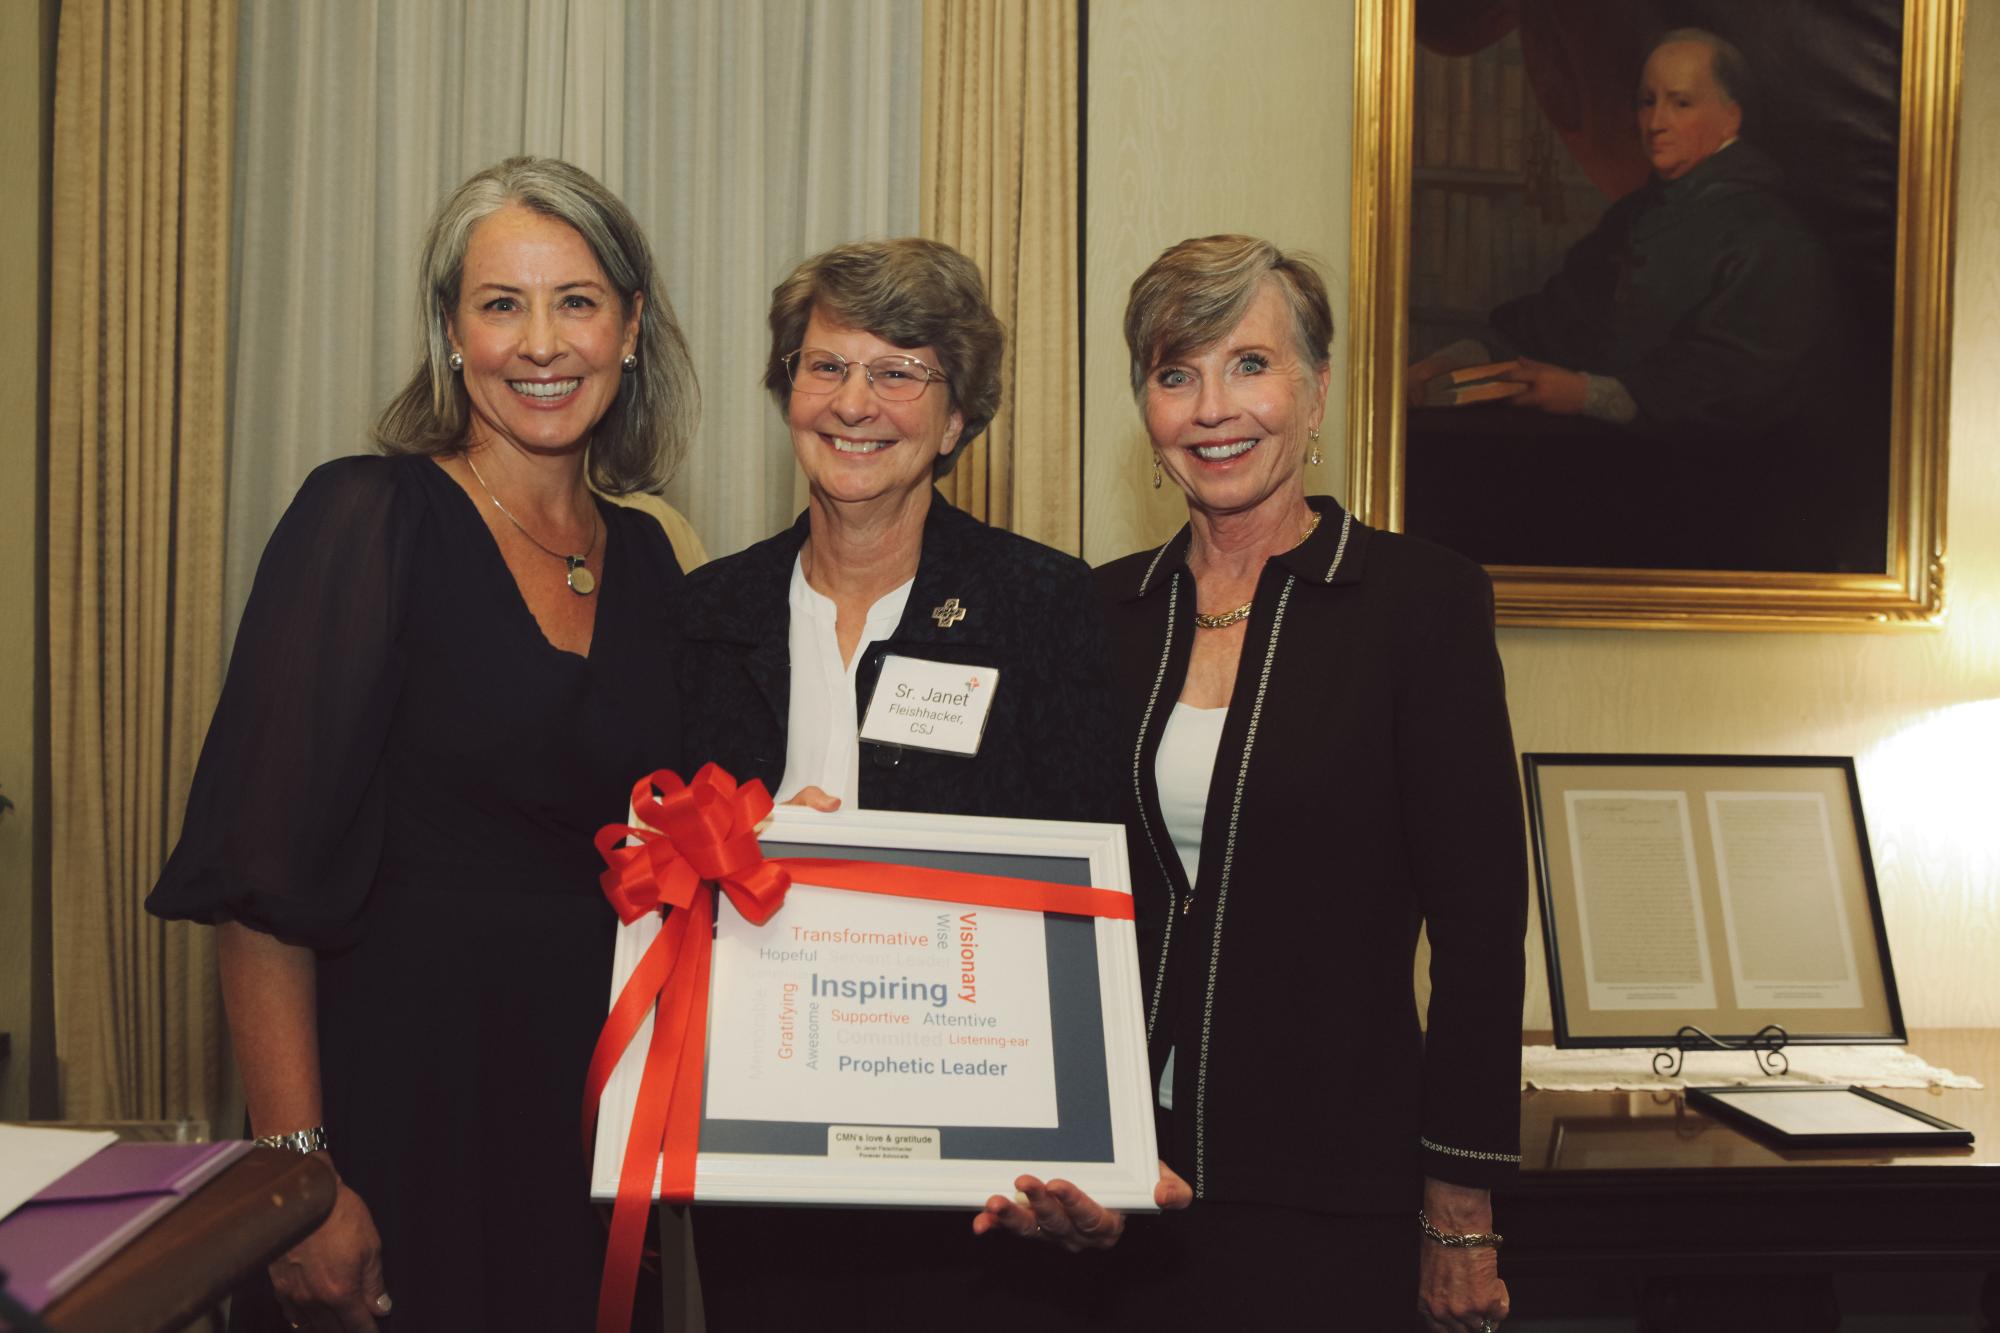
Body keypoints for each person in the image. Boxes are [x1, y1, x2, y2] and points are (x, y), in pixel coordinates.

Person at [147, 157, 698, 1331]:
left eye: (578, 300)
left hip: (585, 1124)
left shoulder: (652, 557)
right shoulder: (367, 517)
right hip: (400, 1117)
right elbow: (258, 887)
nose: (540, 342)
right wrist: (298, 1176)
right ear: (451, 332)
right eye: (501, 303)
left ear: (632, 325)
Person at [676, 237, 1142, 1329]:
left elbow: (1094, 899)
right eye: (825, 365)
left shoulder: (1044, 609)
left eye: (900, 371)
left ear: (958, 417)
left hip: (980, 1184)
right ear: (786, 389)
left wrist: (1104, 1141)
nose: (855, 402)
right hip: (765, 1159)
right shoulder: (704, 616)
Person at [1085, 234, 1528, 1331]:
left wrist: (1459, 1207)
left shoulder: (1417, 604)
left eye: (1249, 364)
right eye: (1173, 372)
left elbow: (1479, 928)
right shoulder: (1097, 613)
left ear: (1316, 389)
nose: (1210, 408)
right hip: (1111, 1186)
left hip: (1331, 1195)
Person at [1489, 28, 1844, 436]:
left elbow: (1736, 377)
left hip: (1713, 467)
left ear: (1732, 118)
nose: (1656, 122)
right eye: (1647, 102)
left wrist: (1589, 394)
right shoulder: (1632, 215)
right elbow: (1561, 316)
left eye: (1681, 103)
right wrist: (1476, 353)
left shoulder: (1772, 236)